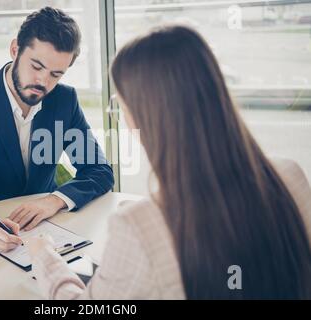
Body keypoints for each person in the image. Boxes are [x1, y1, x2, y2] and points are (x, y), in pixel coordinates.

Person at [27, 25, 311, 299]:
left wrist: (44, 255)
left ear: (141, 115)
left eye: (119, 105)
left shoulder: (138, 227)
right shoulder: (290, 175)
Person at [0, 7, 114, 253]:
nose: (43, 82)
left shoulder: (64, 100)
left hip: (44, 234)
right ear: (15, 50)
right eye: (36, 66)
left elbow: (99, 170)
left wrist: (54, 200)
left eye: (56, 74)